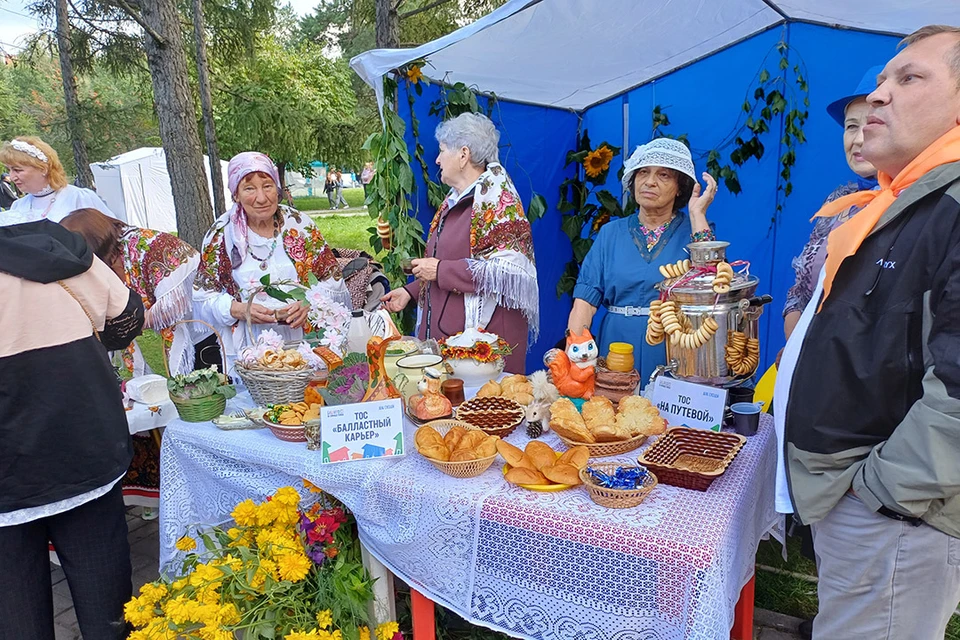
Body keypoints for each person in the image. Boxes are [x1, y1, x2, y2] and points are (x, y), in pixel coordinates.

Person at [781, 25, 960, 640]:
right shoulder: (899, 202)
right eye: (884, 78)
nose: (879, 94)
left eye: (908, 78)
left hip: (896, 514)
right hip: (862, 504)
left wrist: (881, 491)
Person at [0, 220, 145, 640]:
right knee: (110, 617)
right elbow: (128, 320)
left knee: (17, 620)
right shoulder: (58, 248)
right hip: (84, 448)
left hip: (11, 473)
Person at [60, 208, 201, 516]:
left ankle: (192, 486)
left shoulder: (154, 248)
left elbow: (175, 308)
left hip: (200, 328)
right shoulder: (106, 254)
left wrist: (126, 320)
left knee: (193, 403)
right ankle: (162, 485)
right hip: (162, 325)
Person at [380, 112, 539, 373]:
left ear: (463, 155)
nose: (438, 159)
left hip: (484, 356)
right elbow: (451, 265)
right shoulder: (455, 201)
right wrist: (410, 292)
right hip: (454, 348)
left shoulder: (497, 201)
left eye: (443, 151)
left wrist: (440, 270)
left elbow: (507, 273)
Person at [565, 137, 718, 380]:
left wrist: (697, 213)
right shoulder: (610, 233)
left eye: (664, 175)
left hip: (672, 348)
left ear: (680, 187)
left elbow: (715, 287)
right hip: (615, 346)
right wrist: (575, 355)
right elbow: (585, 300)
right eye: (643, 172)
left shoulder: (695, 233)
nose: (649, 182)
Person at [193, 151, 350, 367]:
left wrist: (308, 303)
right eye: (249, 188)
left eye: (267, 186)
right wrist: (237, 309)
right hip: (248, 354)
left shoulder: (299, 225)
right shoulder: (221, 235)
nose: (261, 198)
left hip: (305, 347)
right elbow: (201, 297)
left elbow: (332, 279)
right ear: (236, 194)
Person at [781, 66, 882, 346]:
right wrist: (796, 348)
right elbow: (800, 289)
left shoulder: (917, 204)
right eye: (851, 126)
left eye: (873, 123)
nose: (859, 138)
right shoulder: (839, 199)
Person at [0, 136, 118, 226]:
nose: (12, 176)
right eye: (9, 170)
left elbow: (115, 236)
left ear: (43, 169)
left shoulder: (79, 198)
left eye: (17, 170)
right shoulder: (19, 206)